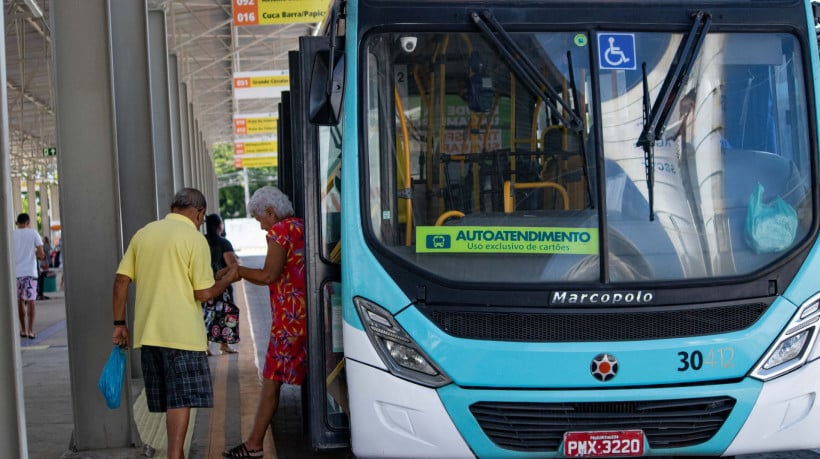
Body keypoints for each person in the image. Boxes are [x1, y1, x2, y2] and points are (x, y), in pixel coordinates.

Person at [111, 188, 239, 459]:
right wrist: (228, 279)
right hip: (183, 335)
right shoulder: (194, 239)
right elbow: (203, 293)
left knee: (169, 400)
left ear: (173, 207)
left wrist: (119, 323)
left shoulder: (144, 234)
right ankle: (174, 454)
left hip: (149, 335)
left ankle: (174, 453)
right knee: (180, 401)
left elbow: (121, 280)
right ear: (199, 212)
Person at [223, 186, 305, 459]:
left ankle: (254, 443)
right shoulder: (301, 226)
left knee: (271, 379)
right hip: (306, 314)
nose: (261, 227)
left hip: (289, 319)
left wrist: (239, 271)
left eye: (260, 219)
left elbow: (269, 275)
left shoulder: (279, 232)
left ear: (271, 212)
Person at [203, 213, 240, 355]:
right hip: (221, 284)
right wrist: (219, 272)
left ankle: (205, 345)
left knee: (206, 313)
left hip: (204, 282)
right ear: (219, 226)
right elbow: (233, 265)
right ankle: (224, 345)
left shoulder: (202, 240)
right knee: (226, 312)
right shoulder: (223, 242)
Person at [13, 213, 45, 339]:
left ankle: (23, 330)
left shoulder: (12, 234)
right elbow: (41, 254)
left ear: (18, 222)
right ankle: (31, 330)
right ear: (28, 222)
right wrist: (33, 255)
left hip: (16, 273)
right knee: (31, 300)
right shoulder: (33, 233)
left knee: (20, 300)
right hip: (30, 273)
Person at [37, 236, 52, 300]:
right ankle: (40, 293)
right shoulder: (46, 246)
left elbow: (42, 254)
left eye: (42, 239)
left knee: (41, 277)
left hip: (43, 263)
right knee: (41, 278)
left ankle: (40, 294)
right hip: (44, 263)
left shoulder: (45, 246)